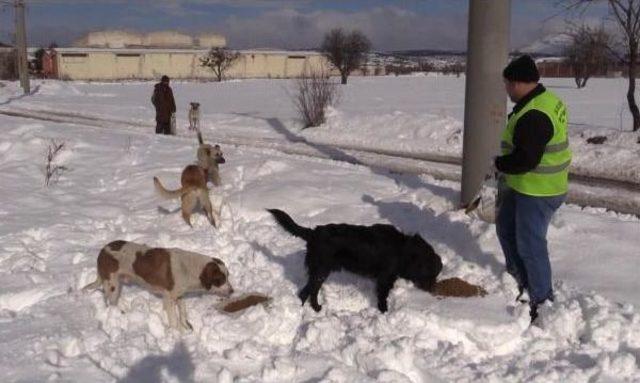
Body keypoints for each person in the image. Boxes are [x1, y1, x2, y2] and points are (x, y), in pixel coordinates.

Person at [494, 55, 572, 324]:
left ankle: (542, 300)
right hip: (524, 187)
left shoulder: (535, 114)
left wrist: (499, 163)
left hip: (539, 191)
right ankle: (519, 278)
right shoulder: (541, 101)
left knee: (531, 244)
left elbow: (526, 159)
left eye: (507, 84)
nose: (506, 89)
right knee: (505, 228)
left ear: (516, 83)